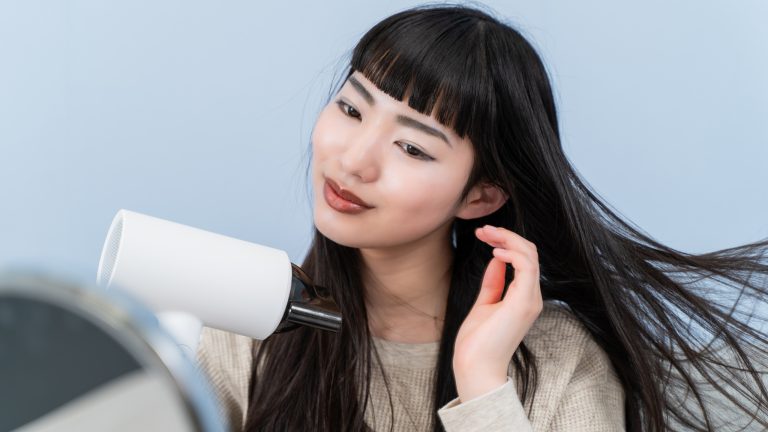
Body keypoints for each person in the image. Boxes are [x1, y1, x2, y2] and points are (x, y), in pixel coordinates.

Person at [197, 4, 768, 431]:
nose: (353, 160)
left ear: (481, 197)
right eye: (351, 109)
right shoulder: (244, 327)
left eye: (413, 148)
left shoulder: (558, 360)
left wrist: (482, 384)